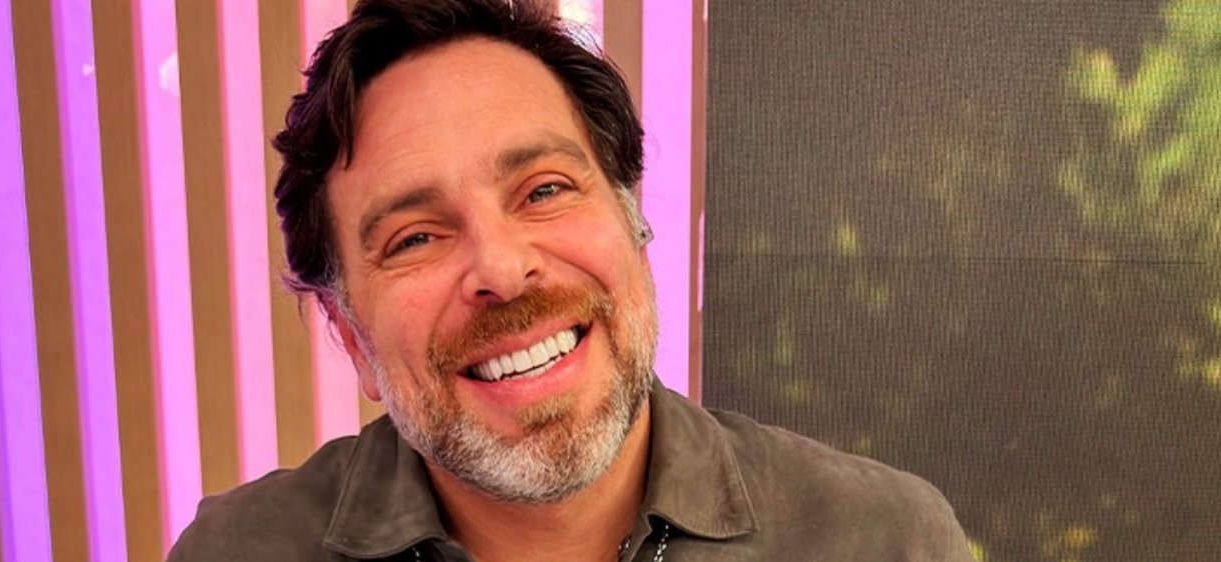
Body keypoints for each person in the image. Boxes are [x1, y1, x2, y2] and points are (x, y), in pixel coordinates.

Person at [168, 0, 975, 560]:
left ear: (634, 228)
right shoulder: (237, 553)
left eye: (545, 190)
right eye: (416, 237)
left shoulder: (885, 541)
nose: (501, 268)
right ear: (350, 336)